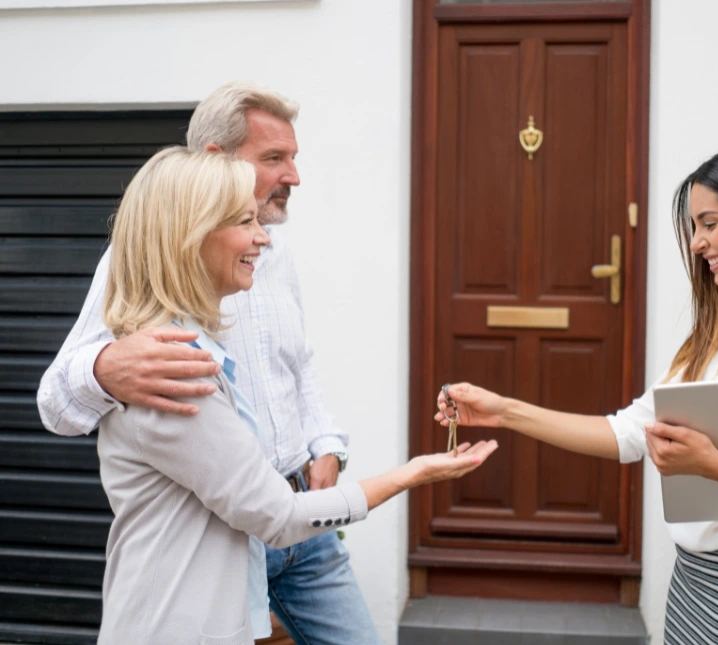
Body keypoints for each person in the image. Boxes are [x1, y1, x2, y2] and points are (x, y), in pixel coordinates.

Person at [435, 143, 718, 645]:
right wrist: (504, 411)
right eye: (693, 228)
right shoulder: (717, 329)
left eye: (710, 224)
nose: (696, 243)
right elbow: (627, 432)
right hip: (693, 591)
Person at [94, 146, 497, 645]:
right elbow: (277, 517)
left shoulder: (187, 344)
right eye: (245, 222)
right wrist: (413, 472)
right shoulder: (172, 369)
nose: (263, 237)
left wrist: (325, 441)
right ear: (190, 237)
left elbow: (300, 362)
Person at [36, 83, 381, 643]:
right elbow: (55, 401)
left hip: (305, 520)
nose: (293, 176)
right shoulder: (141, 260)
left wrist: (326, 444)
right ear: (216, 162)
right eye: (274, 159)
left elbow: (299, 366)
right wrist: (101, 368)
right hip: (226, 532)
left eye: (293, 158)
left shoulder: (274, 251)